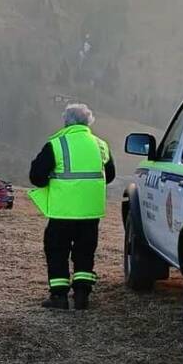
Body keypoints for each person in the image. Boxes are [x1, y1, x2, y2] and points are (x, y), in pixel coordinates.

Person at [28, 103, 115, 311]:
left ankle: (59, 297)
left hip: (63, 211)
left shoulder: (56, 144)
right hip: (90, 212)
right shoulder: (101, 145)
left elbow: (36, 177)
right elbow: (109, 175)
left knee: (57, 251)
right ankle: (82, 295)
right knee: (85, 252)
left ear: (66, 122)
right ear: (88, 122)